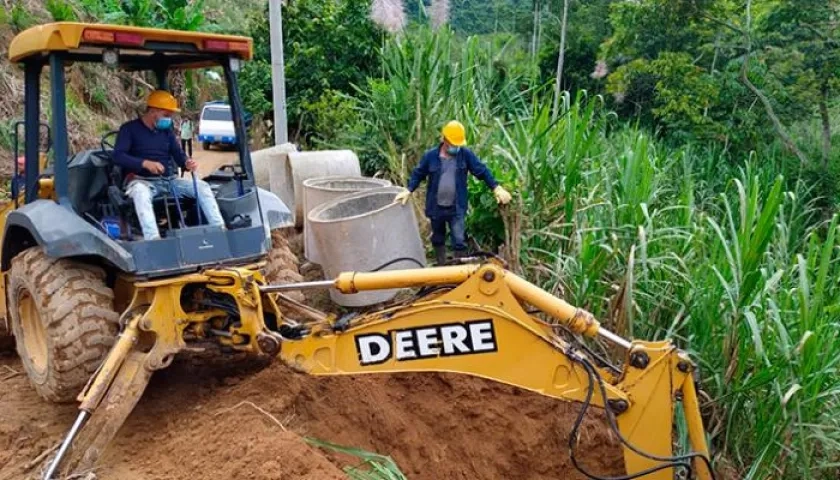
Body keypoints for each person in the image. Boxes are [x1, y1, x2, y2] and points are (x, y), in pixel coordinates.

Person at [113, 90, 225, 240]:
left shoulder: (166, 132)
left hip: (169, 182)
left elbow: (178, 154)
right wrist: (144, 163)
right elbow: (118, 156)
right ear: (153, 111)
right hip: (142, 181)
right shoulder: (129, 129)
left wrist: (186, 162)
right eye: (166, 115)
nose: (169, 119)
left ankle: (220, 231)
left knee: (202, 187)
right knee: (140, 193)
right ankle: (153, 239)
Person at [395, 120, 512, 265]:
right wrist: (408, 190)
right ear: (445, 140)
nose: (456, 147)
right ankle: (442, 267)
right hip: (436, 207)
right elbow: (418, 173)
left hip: (456, 207)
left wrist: (496, 187)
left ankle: (459, 271)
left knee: (458, 239)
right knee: (438, 238)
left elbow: (481, 170)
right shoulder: (430, 157)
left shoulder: (465, 155)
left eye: (458, 145)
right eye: (453, 144)